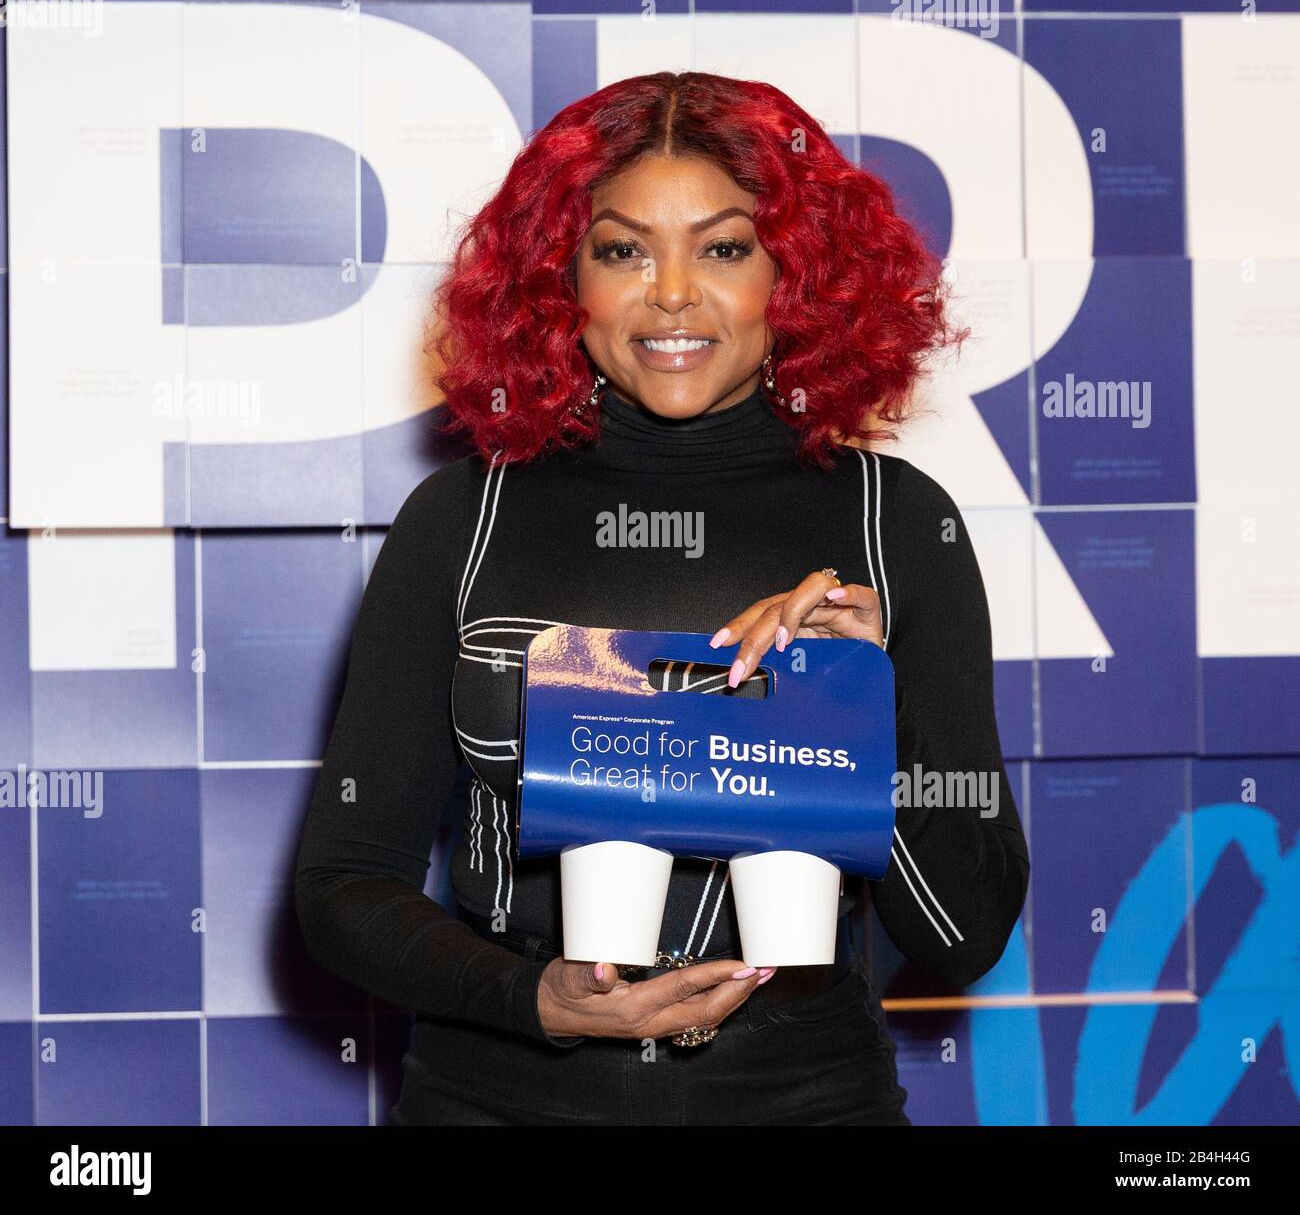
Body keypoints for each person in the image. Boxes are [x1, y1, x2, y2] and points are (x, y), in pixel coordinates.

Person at [293, 71, 1030, 1126]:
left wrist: (862, 700)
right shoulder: (462, 518)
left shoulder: (897, 522)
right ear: (564, 278)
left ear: (797, 275)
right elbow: (344, 886)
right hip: (495, 1103)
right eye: (623, 249)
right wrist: (530, 998)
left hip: (809, 1103)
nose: (672, 294)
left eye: (724, 248)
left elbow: (964, 934)